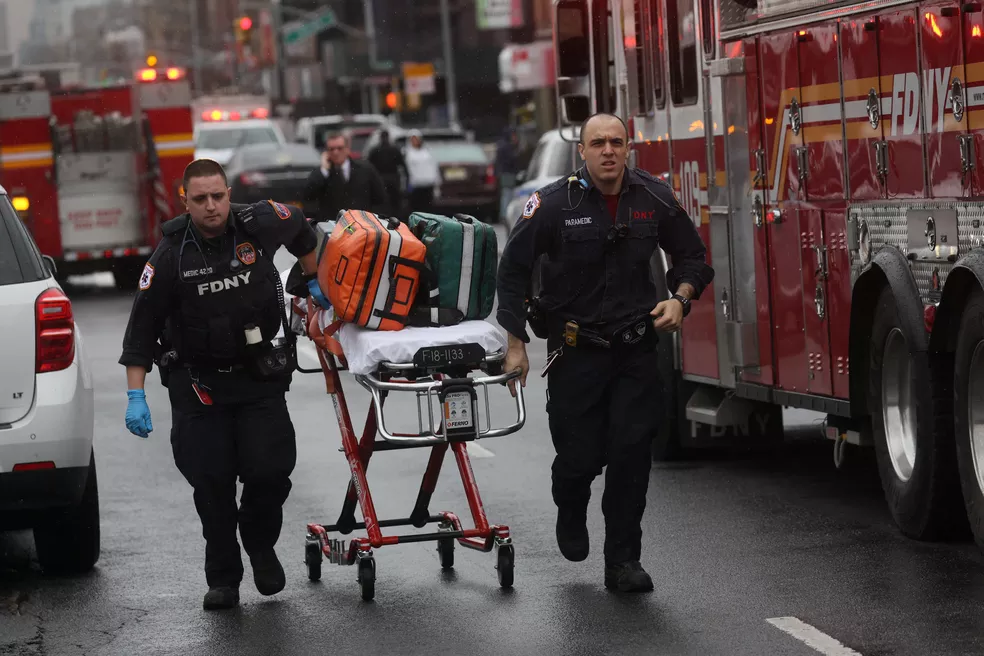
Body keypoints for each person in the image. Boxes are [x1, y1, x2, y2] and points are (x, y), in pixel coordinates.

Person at [496, 112, 714, 593]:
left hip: (636, 350)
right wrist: (516, 344)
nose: (608, 151)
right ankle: (570, 507)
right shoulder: (553, 204)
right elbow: (512, 271)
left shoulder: (653, 196)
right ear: (583, 151)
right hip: (575, 354)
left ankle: (622, 561)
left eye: (617, 142)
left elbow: (694, 258)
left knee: (631, 456)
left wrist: (679, 299)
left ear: (629, 147)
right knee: (579, 459)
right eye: (598, 143)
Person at [119, 158, 330, 611]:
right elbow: (139, 333)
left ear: (229, 193)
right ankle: (223, 577)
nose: (212, 207)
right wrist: (136, 395)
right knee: (212, 484)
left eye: (218, 196)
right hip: (199, 387)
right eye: (200, 199)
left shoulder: (259, 223)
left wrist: (312, 279)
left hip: (258, 378)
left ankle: (260, 545)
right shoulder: (170, 255)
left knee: (269, 472)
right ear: (185, 200)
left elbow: (304, 233)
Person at [303, 131, 388, 223]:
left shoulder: (365, 169)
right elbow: (308, 195)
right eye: (331, 149)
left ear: (347, 148)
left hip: (361, 226)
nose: (335, 152)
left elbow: (380, 198)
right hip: (333, 227)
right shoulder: (323, 172)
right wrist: (324, 169)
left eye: (340, 148)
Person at [367, 128, 407, 216]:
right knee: (394, 204)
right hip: (392, 179)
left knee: (384, 204)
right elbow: (403, 165)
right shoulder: (394, 150)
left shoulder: (375, 151)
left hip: (381, 179)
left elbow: (369, 166)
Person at [403, 129, 441, 214]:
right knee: (416, 210)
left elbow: (434, 167)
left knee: (428, 209)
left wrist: (437, 183)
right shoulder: (407, 153)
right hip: (415, 187)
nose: (414, 141)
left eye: (416, 139)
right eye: (412, 139)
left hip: (428, 185)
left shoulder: (427, 152)